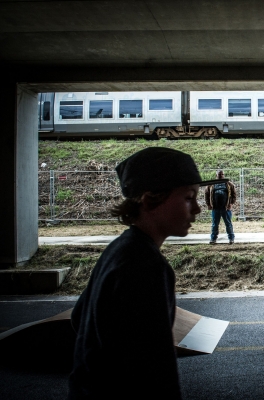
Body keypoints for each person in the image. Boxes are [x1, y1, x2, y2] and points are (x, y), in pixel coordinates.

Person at [68, 147, 203, 400]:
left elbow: (78, 318)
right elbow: (154, 368)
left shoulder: (119, 249)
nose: (196, 209)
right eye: (188, 197)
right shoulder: (146, 266)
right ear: (152, 198)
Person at [205, 169, 237, 244]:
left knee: (228, 224)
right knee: (214, 224)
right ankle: (213, 239)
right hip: (215, 208)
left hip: (225, 208)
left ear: (224, 175)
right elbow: (206, 194)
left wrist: (231, 203)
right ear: (216, 175)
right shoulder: (211, 184)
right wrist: (209, 204)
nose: (220, 176)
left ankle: (231, 238)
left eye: (222, 174)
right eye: (219, 175)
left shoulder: (229, 184)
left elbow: (234, 195)